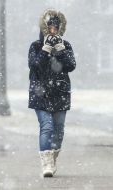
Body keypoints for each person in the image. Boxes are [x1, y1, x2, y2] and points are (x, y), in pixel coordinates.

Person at [28, 9, 76, 177]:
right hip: (40, 93)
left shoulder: (66, 45)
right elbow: (34, 66)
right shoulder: (35, 46)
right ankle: (46, 164)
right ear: (44, 28)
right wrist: (45, 49)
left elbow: (71, 66)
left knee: (59, 130)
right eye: (50, 27)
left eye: (55, 28)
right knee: (46, 126)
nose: (52, 31)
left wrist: (61, 50)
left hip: (60, 92)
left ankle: (52, 156)